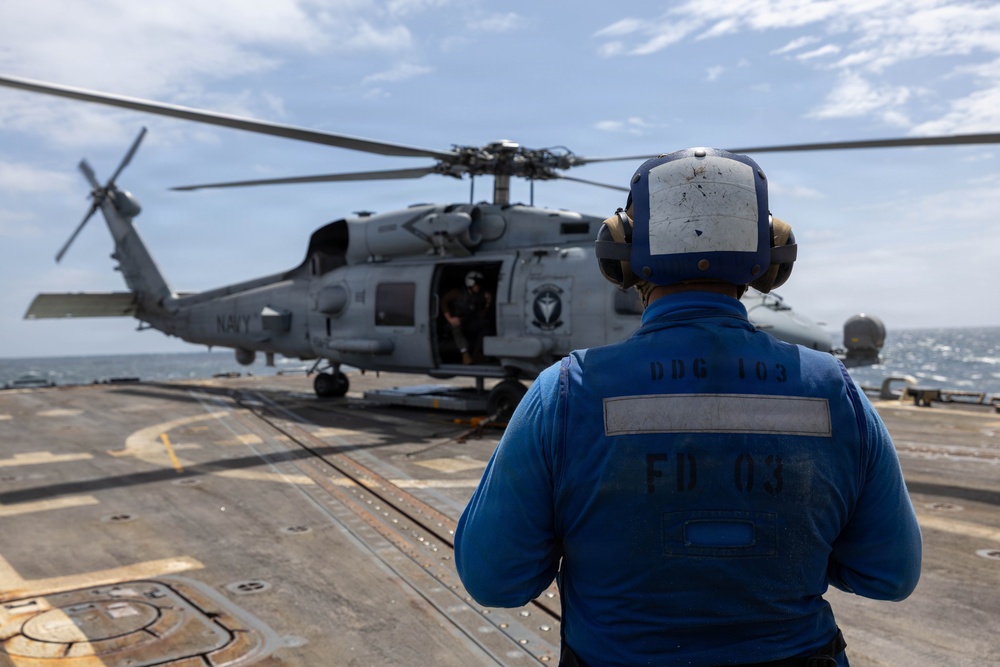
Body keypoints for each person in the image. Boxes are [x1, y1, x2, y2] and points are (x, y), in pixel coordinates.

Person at [454, 148, 922, 667]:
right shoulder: (837, 390)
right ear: (769, 258)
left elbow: (495, 579)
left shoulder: (561, 393)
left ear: (621, 253)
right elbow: (890, 574)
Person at [441, 270, 493, 364]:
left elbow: (480, 315)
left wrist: (487, 303)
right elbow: (444, 301)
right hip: (452, 324)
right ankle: (465, 354)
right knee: (456, 326)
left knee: (485, 324)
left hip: (467, 322)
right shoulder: (458, 293)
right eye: (477, 284)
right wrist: (450, 318)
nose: (478, 287)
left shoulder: (477, 297)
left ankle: (477, 353)